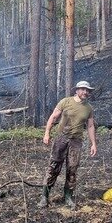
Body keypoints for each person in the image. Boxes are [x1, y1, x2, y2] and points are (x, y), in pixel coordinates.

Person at [38, 80, 98, 209]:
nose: (85, 92)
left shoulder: (88, 108)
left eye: (87, 90)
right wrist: (47, 133)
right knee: (54, 166)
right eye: (83, 89)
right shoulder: (65, 101)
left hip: (76, 141)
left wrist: (93, 144)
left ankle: (68, 197)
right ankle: (45, 197)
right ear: (76, 90)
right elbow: (53, 117)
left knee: (72, 169)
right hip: (61, 138)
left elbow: (91, 126)